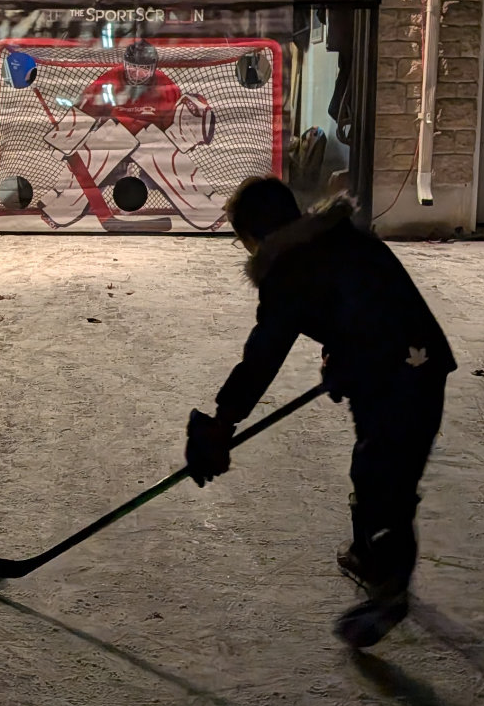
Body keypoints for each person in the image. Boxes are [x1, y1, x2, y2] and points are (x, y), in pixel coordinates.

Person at [185, 176, 456, 647]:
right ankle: (366, 551)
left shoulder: (288, 269)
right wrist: (342, 354)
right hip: (408, 365)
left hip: (400, 374)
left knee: (382, 476)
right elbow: (365, 299)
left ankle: (388, 586)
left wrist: (223, 421)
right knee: (375, 464)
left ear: (254, 234)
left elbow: (264, 351)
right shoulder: (336, 238)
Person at [37, 40, 226, 231]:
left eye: (143, 70)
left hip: (149, 144)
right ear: (125, 65)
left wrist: (185, 135)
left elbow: (171, 126)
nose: (137, 75)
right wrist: (64, 140)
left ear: (153, 68)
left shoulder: (165, 85)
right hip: (113, 139)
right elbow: (84, 110)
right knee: (87, 159)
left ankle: (208, 211)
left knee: (175, 164)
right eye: (133, 69)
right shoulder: (110, 79)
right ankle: (58, 205)